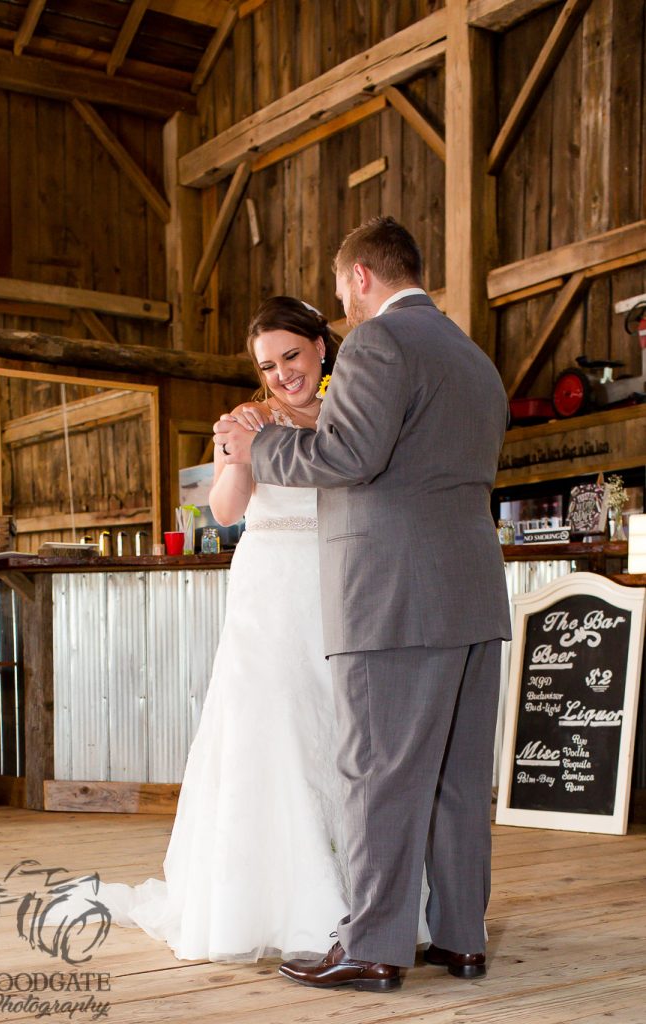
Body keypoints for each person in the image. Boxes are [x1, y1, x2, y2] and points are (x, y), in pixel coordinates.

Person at [214, 217, 512, 992]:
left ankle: (374, 945)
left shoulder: (381, 342)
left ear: (357, 278)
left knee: (378, 771)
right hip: (471, 591)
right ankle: (459, 937)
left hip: (392, 595)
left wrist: (258, 449)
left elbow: (350, 456)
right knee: (454, 776)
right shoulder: (473, 356)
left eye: (340, 291)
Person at [94, 295, 431, 963]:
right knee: (270, 732)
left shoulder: (353, 414)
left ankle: (362, 895)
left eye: (291, 357)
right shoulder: (249, 420)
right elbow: (223, 512)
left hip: (343, 583)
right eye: (267, 365)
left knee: (343, 736)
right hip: (268, 590)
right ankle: (276, 902)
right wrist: (236, 451)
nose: (281, 375)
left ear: (321, 346)